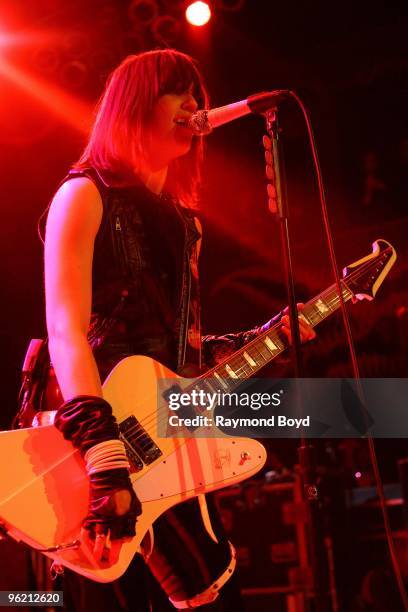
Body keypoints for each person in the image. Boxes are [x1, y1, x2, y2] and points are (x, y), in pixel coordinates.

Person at [42, 49, 316, 610]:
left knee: (213, 593)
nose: (196, 103)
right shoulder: (82, 194)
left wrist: (263, 341)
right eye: (177, 90)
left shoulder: (182, 217)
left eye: (199, 94)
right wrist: (104, 458)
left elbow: (177, 349)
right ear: (135, 105)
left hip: (169, 436)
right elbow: (67, 331)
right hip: (98, 441)